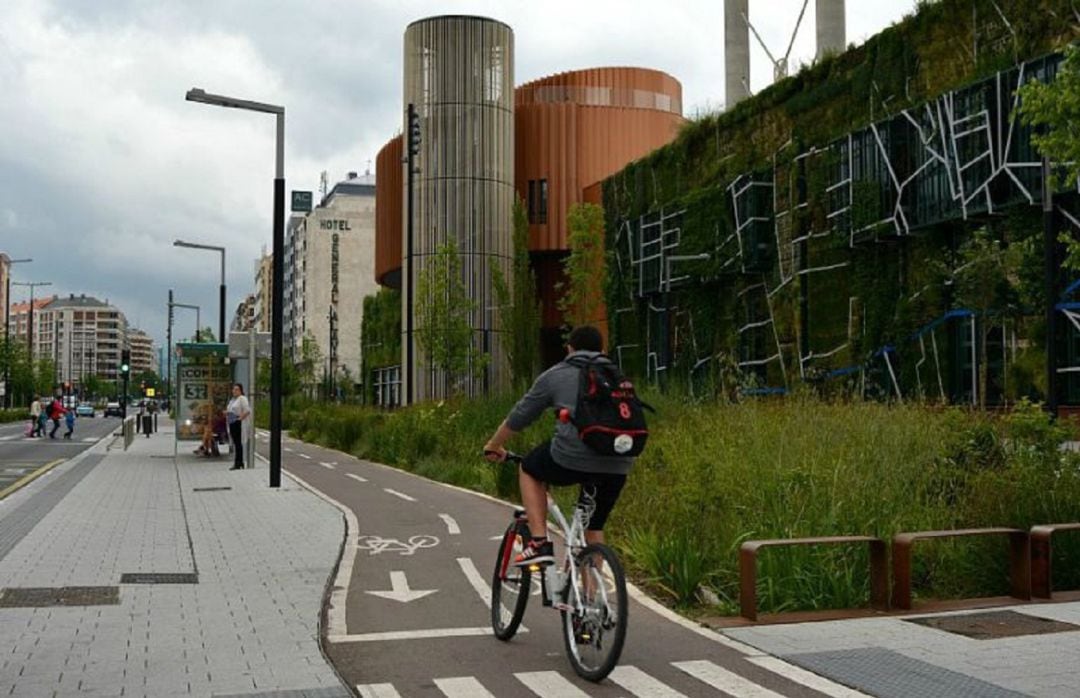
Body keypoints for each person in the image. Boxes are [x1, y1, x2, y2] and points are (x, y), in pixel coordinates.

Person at [483, 325, 634, 567]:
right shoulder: (617, 376)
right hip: (619, 462)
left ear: (569, 349)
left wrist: (494, 445)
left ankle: (539, 543)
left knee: (530, 468)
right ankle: (592, 600)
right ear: (603, 350)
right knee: (593, 526)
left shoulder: (556, 375)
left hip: (571, 458)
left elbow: (519, 417)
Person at [226, 383, 250, 471]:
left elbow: (247, 410)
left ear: (240, 390)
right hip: (231, 421)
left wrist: (239, 419)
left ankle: (238, 462)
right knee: (236, 443)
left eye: (237, 389)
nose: (234, 391)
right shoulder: (232, 400)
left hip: (237, 422)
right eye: (233, 389)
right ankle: (239, 462)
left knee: (238, 443)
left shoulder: (242, 399)